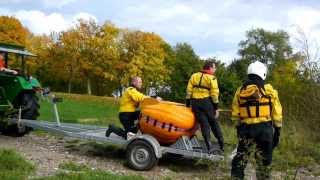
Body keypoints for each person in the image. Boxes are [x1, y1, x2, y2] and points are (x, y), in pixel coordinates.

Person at [230, 61, 283, 180]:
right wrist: (277, 131)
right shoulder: (269, 90)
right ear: (263, 73)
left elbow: (235, 113)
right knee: (264, 161)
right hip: (265, 129)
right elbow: (277, 113)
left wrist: (238, 128)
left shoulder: (240, 90)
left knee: (240, 159)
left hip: (246, 129)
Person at [186, 61, 224, 154]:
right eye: (214, 67)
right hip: (206, 103)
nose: (215, 69)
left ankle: (209, 146)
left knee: (204, 124)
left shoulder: (194, 76)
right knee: (213, 122)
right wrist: (216, 108)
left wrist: (188, 103)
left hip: (195, 103)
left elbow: (188, 90)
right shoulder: (212, 78)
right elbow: (214, 94)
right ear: (210, 68)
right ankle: (221, 144)